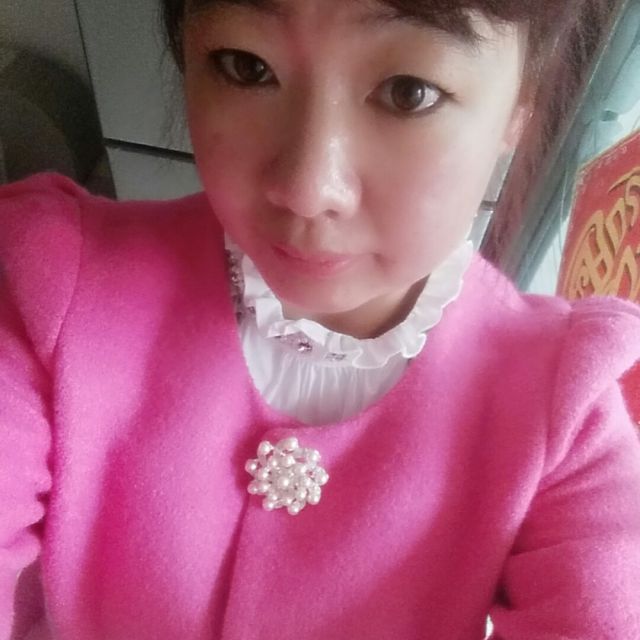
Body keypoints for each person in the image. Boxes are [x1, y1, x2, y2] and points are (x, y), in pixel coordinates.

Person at [1, 0, 639, 638]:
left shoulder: (564, 416)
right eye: (246, 67)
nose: (308, 188)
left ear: (524, 102)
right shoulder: (46, 288)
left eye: (408, 92)